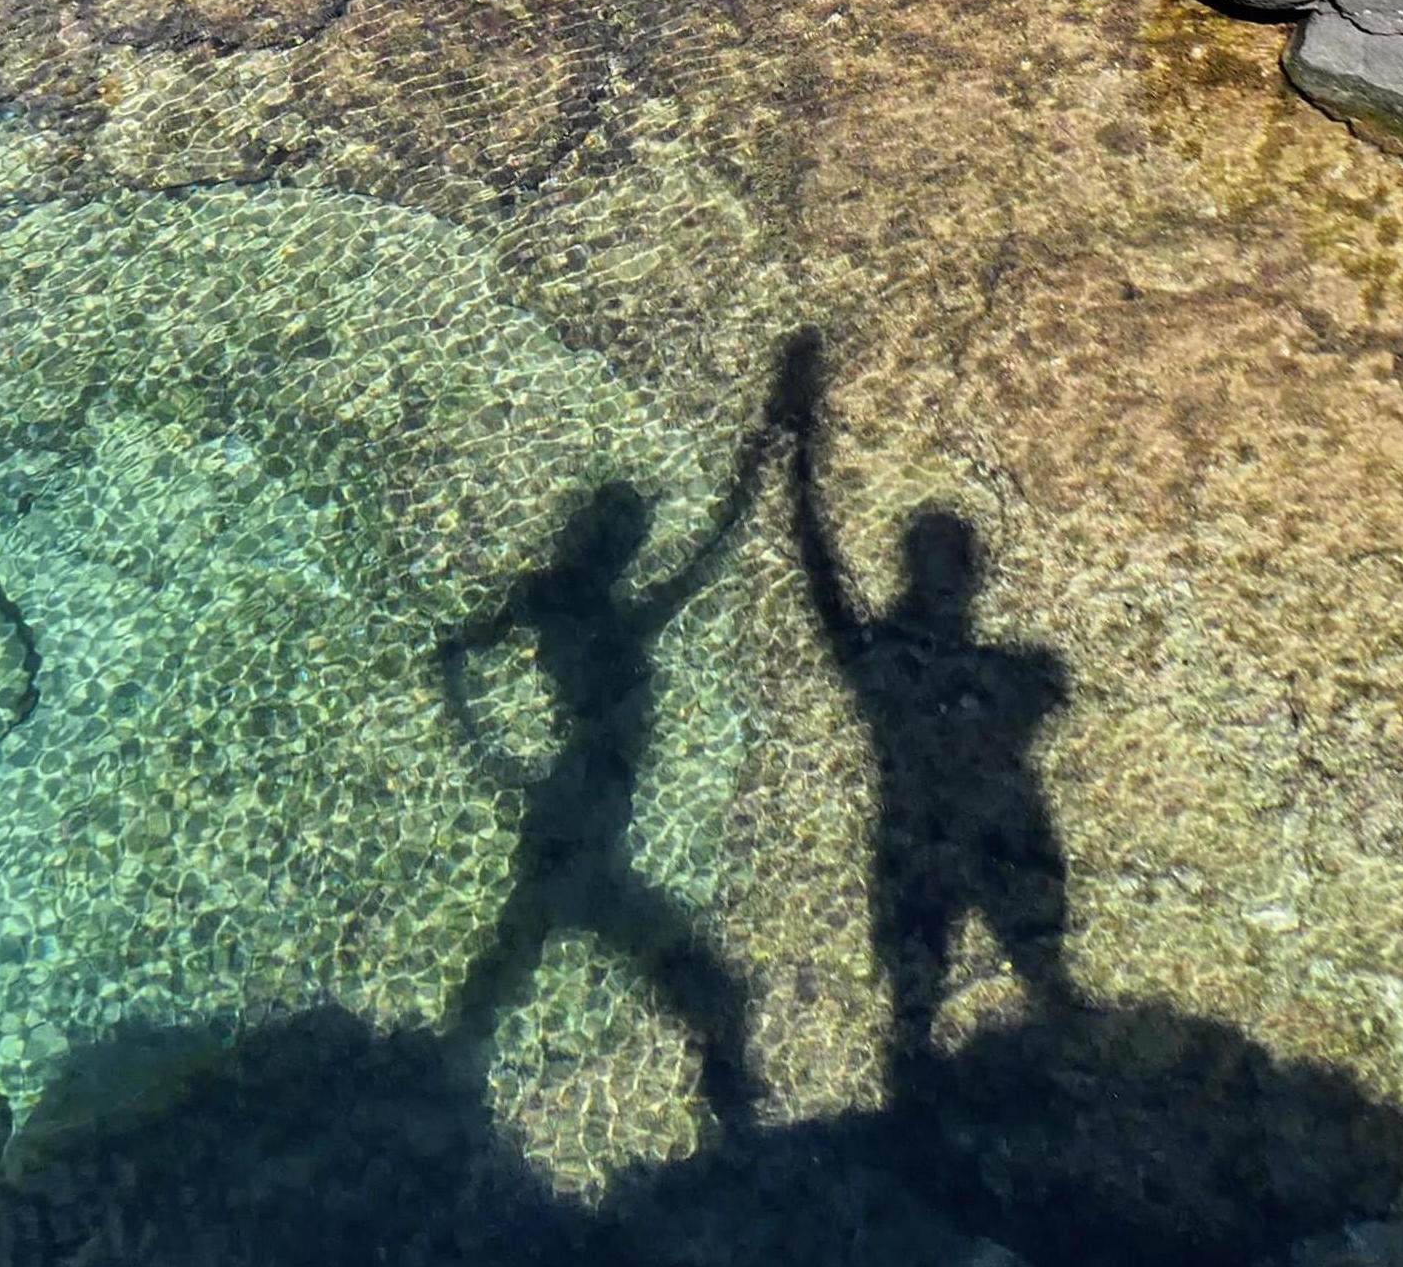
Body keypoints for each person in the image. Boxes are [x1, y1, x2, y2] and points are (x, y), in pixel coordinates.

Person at [438, 427, 772, 1126]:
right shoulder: (618, 616)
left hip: (571, 809)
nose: (627, 547)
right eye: (626, 535)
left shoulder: (551, 598)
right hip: (582, 813)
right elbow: (709, 551)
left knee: (516, 952)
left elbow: (459, 655)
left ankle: (445, 1077)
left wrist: (493, 755)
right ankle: (729, 1082)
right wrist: (763, 460)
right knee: (572, 947)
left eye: (628, 533)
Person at [775, 329, 1077, 1077]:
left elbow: (819, 568)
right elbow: (1054, 690)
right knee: (1048, 998)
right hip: (1002, 829)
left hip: (915, 844)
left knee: (912, 1019)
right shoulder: (1007, 671)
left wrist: (799, 457)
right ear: (972, 579)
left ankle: (910, 1121)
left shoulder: (875, 665)